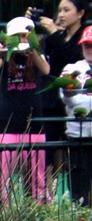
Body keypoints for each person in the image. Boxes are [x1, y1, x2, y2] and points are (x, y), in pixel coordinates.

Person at [0, 16, 51, 205]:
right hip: (7, 123)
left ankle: (39, 213)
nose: (22, 41)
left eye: (25, 36)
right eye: (17, 36)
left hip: (33, 123)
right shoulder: (6, 55)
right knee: (0, 175)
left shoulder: (37, 53)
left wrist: (33, 54)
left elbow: (46, 71)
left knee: (37, 177)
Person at [32, 0, 88, 178]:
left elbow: (73, 59)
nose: (61, 15)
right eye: (59, 11)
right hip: (50, 100)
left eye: (66, 10)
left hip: (77, 101)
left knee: (78, 154)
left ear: (80, 13)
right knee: (47, 149)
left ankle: (79, 199)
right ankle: (46, 198)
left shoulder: (86, 36)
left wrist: (55, 33)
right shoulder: (55, 36)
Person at [60, 24, 92, 204]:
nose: (89, 49)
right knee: (78, 179)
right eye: (86, 45)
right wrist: (68, 92)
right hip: (77, 132)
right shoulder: (72, 68)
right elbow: (67, 100)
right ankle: (80, 219)